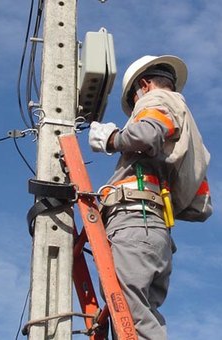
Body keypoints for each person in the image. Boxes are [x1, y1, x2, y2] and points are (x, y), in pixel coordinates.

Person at [89, 55, 212, 339]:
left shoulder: (156, 100)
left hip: (135, 223)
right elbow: (199, 208)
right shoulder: (191, 136)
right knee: (142, 321)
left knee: (132, 321)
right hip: (156, 236)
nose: (137, 111)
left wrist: (111, 139)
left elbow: (145, 135)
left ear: (143, 85)